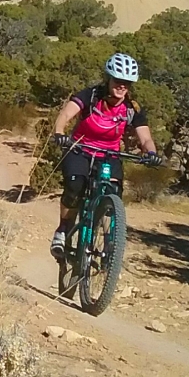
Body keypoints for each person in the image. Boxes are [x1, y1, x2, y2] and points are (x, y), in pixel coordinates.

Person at [50, 52, 160, 258]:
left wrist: (151, 153)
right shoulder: (90, 96)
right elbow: (65, 115)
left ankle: (111, 245)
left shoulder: (131, 108)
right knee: (74, 186)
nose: (122, 86)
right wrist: (59, 133)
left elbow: (145, 138)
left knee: (113, 193)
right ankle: (63, 229)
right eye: (118, 80)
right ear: (108, 79)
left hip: (109, 154)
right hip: (80, 148)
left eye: (127, 83)